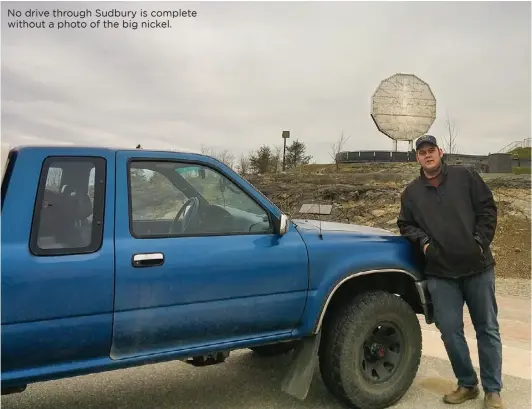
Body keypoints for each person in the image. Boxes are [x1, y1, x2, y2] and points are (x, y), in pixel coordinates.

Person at [397, 135, 503, 409]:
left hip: (477, 268)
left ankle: (493, 390)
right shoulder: (411, 193)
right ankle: (467, 383)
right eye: (422, 152)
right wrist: (426, 244)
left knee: (487, 329)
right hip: (441, 273)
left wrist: (479, 242)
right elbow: (406, 225)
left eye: (431, 150)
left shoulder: (466, 177)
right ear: (417, 158)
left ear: (441, 152)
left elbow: (488, 210)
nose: (428, 155)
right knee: (450, 331)